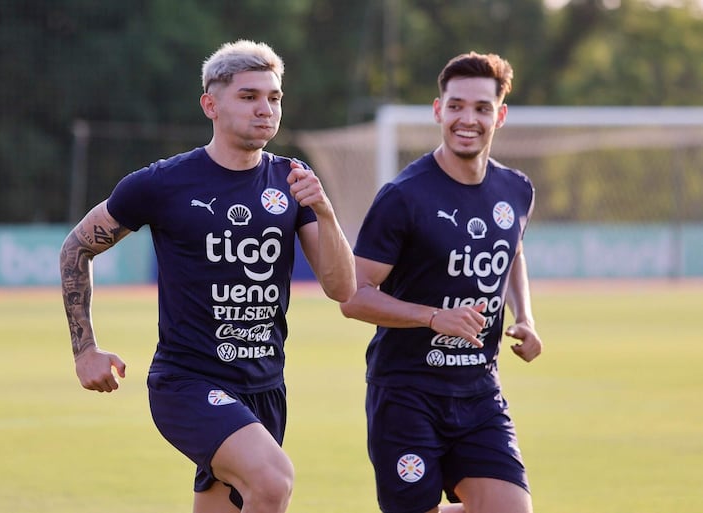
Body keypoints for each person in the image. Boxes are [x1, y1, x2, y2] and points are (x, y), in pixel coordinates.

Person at [59, 40, 355, 513]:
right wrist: (85, 349)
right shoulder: (162, 183)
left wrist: (323, 208)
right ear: (210, 104)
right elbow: (77, 247)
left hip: (264, 389)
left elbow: (343, 288)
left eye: (274, 98)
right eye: (249, 96)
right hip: (188, 384)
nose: (265, 109)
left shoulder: (292, 181)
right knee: (274, 480)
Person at [340, 51, 543, 513]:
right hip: (407, 393)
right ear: (438, 110)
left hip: (479, 392)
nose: (466, 119)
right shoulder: (402, 197)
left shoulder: (517, 189)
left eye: (480, 108)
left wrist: (525, 317)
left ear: (500, 115)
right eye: (455, 106)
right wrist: (434, 317)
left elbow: (512, 252)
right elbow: (354, 296)